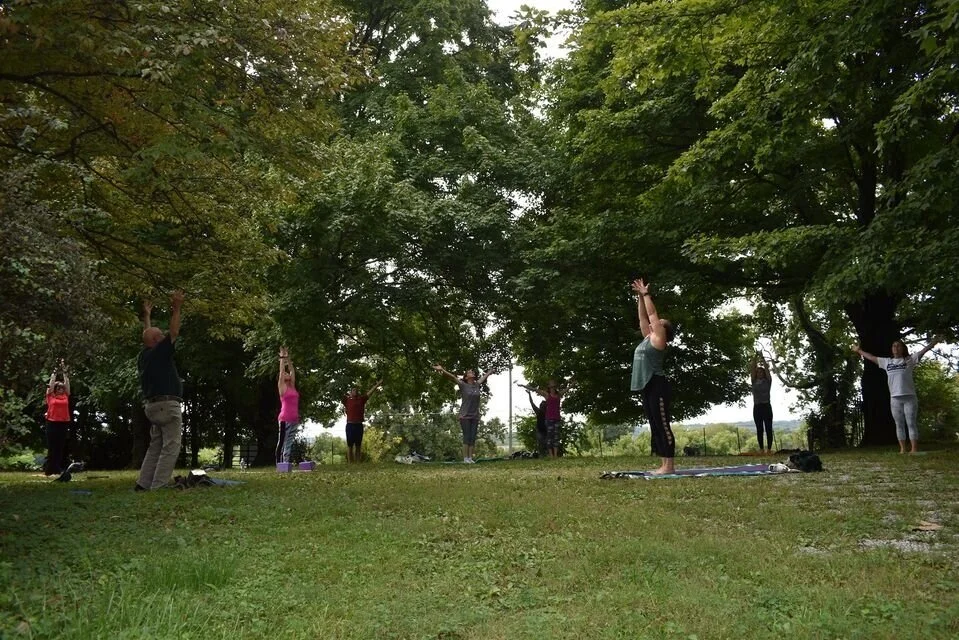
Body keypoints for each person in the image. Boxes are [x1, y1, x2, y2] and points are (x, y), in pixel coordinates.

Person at [854, 337, 939, 454]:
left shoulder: (909, 360)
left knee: (911, 423)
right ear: (891, 349)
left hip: (909, 397)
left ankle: (914, 449)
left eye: (898, 346)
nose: (896, 348)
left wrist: (933, 342)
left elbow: (923, 351)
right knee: (899, 424)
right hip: (895, 398)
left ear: (903, 349)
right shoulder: (887, 362)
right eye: (894, 346)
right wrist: (859, 350)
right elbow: (871, 357)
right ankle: (902, 449)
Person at [136, 291, 185, 491]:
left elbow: (147, 335)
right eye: (161, 335)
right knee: (171, 446)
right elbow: (174, 332)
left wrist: (147, 316)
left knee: (155, 446)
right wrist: (177, 308)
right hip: (167, 406)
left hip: (152, 407)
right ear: (157, 341)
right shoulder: (159, 352)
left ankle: (143, 484)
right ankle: (159, 485)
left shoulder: (144, 355)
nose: (164, 336)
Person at [630, 278, 676, 475]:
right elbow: (643, 317)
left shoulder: (659, 341)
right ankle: (663, 464)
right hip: (647, 386)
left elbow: (651, 315)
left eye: (659, 324)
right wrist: (640, 298)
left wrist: (647, 294)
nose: (654, 324)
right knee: (655, 425)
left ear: (664, 331)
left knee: (663, 425)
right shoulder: (647, 338)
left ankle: (669, 466)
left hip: (658, 385)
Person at [433, 364, 494, 463]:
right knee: (467, 436)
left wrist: (489, 372)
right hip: (464, 415)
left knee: (472, 437)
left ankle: (470, 458)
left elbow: (483, 378)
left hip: (475, 415)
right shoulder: (463, 385)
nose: (472, 373)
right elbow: (453, 377)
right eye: (470, 372)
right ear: (466, 377)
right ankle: (465, 458)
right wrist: (442, 370)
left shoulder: (477, 384)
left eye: (472, 372)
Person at [522, 379, 574, 458]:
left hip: (557, 418)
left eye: (553, 385)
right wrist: (524, 386)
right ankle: (551, 455)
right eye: (551, 385)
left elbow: (566, 389)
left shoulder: (558, 395)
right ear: (549, 387)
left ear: (555, 386)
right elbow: (535, 389)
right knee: (550, 436)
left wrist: (572, 385)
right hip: (549, 419)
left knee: (556, 437)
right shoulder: (546, 395)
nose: (552, 387)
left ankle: (555, 455)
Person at [343, 379, 383, 463]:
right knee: (350, 446)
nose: (355, 391)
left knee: (358, 445)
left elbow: (370, 392)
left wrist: (377, 384)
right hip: (350, 425)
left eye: (356, 390)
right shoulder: (347, 400)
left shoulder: (361, 399)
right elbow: (338, 392)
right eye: (353, 390)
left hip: (359, 425)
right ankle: (350, 463)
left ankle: (358, 463)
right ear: (350, 392)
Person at [43, 359, 71, 476]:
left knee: (60, 446)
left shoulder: (66, 396)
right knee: (52, 446)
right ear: (55, 389)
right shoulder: (51, 396)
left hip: (63, 423)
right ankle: (49, 469)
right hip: (52, 422)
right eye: (58, 388)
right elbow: (51, 383)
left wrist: (64, 371)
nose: (61, 389)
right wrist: (55, 371)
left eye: (62, 388)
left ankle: (57, 468)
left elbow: (67, 382)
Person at [276, 347, 300, 468]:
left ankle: (286, 464)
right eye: (285, 374)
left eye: (287, 373)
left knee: (289, 443)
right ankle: (279, 464)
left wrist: (288, 358)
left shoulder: (292, 386)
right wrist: (282, 358)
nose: (287, 373)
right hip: (285, 419)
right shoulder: (282, 387)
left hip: (294, 420)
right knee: (282, 442)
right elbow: (281, 372)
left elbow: (292, 369)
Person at [750, 354, 774, 454]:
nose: (759, 373)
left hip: (766, 406)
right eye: (758, 372)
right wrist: (755, 357)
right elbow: (752, 369)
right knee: (759, 428)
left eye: (761, 372)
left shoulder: (767, 381)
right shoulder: (754, 381)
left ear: (763, 373)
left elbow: (767, 371)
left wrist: (763, 359)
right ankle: (761, 449)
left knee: (768, 428)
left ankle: (769, 449)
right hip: (757, 407)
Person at [526, 388, 547, 457]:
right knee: (541, 444)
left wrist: (529, 394)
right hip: (540, 430)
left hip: (545, 430)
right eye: (542, 405)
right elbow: (532, 403)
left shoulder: (546, 412)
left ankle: (544, 455)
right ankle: (542, 455)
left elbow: (532, 403)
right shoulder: (539, 411)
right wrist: (529, 394)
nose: (542, 406)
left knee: (544, 444)